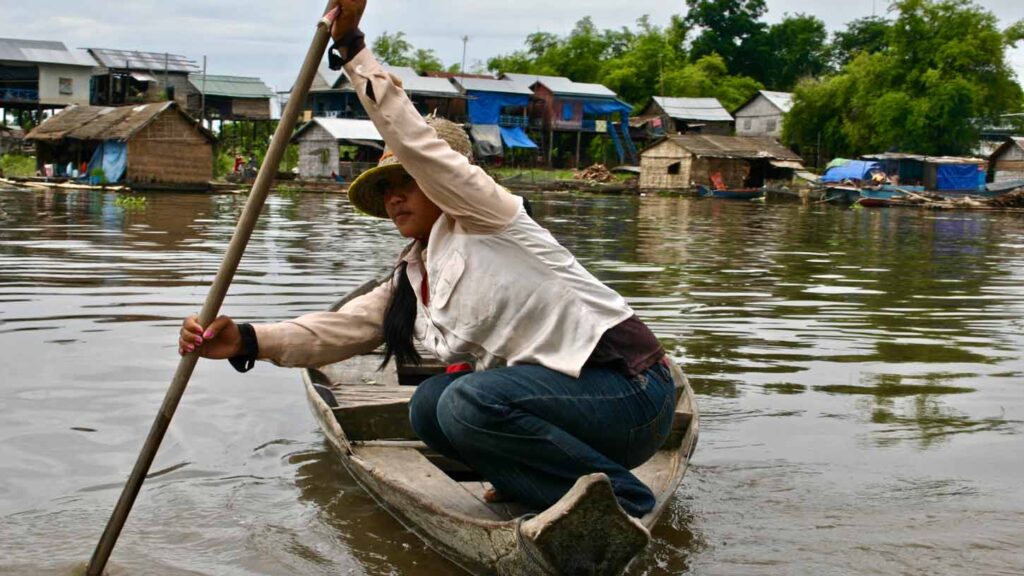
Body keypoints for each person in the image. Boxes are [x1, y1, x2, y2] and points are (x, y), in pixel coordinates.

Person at [178, 0, 676, 520]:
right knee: (429, 406)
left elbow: (417, 145)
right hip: (563, 412)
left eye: (406, 182)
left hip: (630, 397)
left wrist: (351, 48)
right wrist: (247, 340)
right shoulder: (415, 273)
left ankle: (624, 500)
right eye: (386, 189)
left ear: (442, 180)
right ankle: (537, 487)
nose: (394, 198)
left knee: (468, 402)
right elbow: (342, 329)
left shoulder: (491, 216)